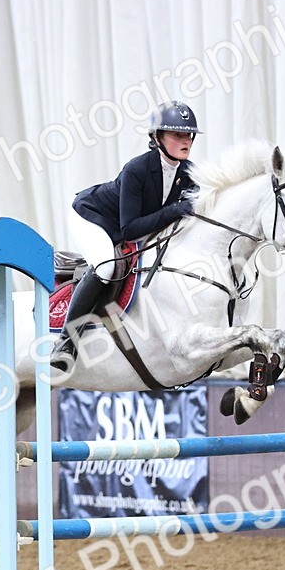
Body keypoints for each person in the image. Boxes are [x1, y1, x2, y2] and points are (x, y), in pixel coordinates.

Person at [50, 100, 201, 373]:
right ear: (157, 137)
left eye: (189, 135)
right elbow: (130, 229)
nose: (186, 140)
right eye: (178, 134)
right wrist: (175, 210)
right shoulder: (137, 169)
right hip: (92, 217)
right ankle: (65, 342)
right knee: (107, 267)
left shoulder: (188, 173)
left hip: (125, 224)